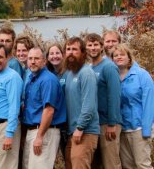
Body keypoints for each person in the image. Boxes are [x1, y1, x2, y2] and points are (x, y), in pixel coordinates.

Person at [111, 44, 154, 168]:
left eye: (122, 55)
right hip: (122, 129)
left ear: (129, 57)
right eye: (116, 55)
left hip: (139, 128)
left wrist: (146, 129)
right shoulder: (114, 77)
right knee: (128, 166)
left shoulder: (141, 75)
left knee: (142, 164)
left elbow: (150, 103)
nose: (119, 57)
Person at [22, 47, 66, 169]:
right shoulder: (32, 79)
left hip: (45, 131)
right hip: (33, 131)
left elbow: (49, 110)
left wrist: (40, 137)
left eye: (36, 58)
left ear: (44, 61)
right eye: (30, 58)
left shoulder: (48, 80)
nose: (33, 61)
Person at [85, 33, 122, 169]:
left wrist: (112, 123)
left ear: (101, 47)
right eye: (90, 45)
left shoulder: (109, 67)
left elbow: (114, 96)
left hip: (108, 123)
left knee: (111, 163)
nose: (93, 48)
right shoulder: (89, 68)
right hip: (95, 123)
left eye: (96, 45)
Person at [64, 37, 99, 169]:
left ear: (83, 53)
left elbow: (89, 105)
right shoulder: (69, 73)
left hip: (85, 132)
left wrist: (80, 128)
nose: (71, 52)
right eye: (68, 49)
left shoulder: (86, 73)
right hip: (72, 132)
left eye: (74, 49)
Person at [0, 43, 23, 169]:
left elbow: (14, 107)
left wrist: (9, 133)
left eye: (0, 57)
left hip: (6, 127)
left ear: (7, 58)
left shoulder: (12, 77)